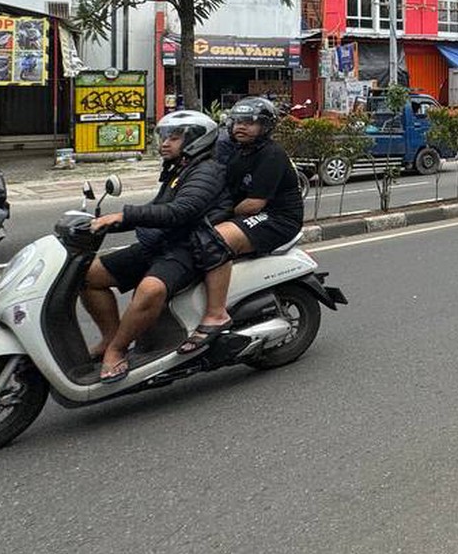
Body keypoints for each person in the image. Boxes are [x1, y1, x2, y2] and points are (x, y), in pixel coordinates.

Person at [80, 110, 229, 384]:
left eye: (173, 138)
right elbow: (158, 209)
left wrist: (126, 215)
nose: (164, 144)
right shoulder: (179, 168)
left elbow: (181, 211)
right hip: (162, 242)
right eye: (163, 137)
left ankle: (117, 350)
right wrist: (109, 222)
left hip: (188, 247)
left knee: (151, 289)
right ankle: (110, 337)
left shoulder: (207, 170)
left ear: (197, 141)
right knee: (89, 275)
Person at [179, 96, 305, 354]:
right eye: (238, 121)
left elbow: (254, 205)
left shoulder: (272, 154)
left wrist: (217, 214)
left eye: (250, 122)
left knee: (216, 238)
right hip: (250, 214)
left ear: (266, 126)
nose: (241, 127)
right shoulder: (235, 152)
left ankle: (216, 314)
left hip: (277, 218)